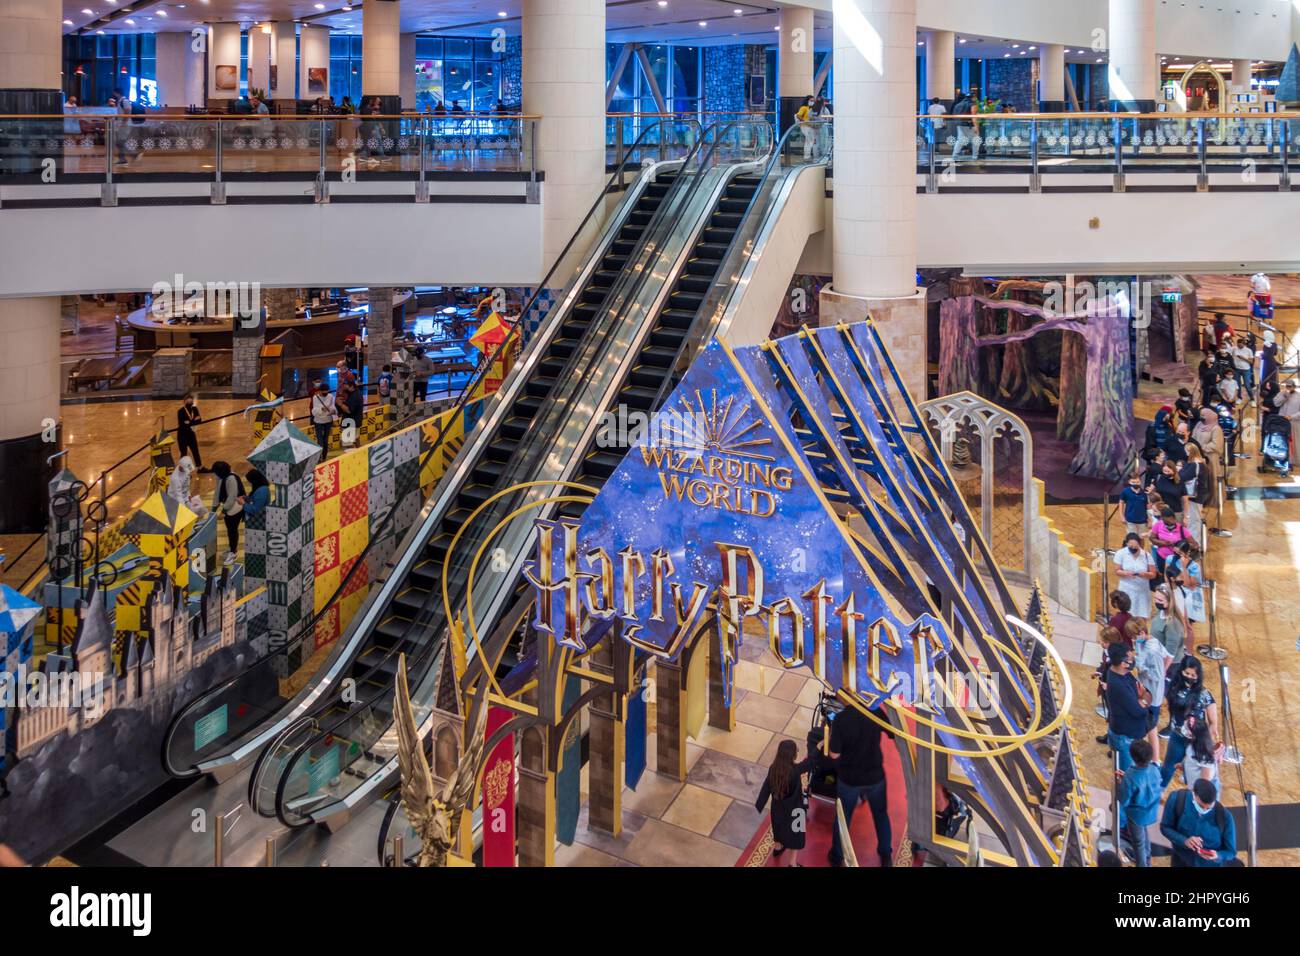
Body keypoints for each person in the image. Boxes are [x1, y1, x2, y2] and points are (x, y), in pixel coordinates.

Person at [827, 702, 894, 867]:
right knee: (881, 815)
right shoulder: (874, 711)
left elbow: (834, 755)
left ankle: (837, 854)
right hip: (875, 776)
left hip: (849, 779)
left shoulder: (841, 719)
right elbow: (893, 733)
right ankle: (885, 854)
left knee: (843, 818)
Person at [1161, 656, 1220, 788]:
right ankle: (1158, 791)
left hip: (1197, 741)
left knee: (1193, 774)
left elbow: (1213, 723)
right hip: (1177, 736)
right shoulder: (1173, 687)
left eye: (1193, 675)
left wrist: (1206, 741)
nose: (1190, 677)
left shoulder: (1204, 694)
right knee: (1168, 768)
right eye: (1187, 673)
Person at [754, 739, 811, 866]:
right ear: (792, 755)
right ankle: (792, 863)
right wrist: (818, 748)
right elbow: (810, 762)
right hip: (796, 809)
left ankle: (778, 848)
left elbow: (766, 788)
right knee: (796, 836)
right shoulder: (796, 770)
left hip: (778, 808)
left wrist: (759, 804)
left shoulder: (773, 769)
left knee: (778, 829)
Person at [1160, 778, 1237, 867]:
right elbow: (1165, 827)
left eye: (1209, 808)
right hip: (1181, 859)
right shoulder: (1177, 799)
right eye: (1200, 806)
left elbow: (1231, 852)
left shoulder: (1225, 817)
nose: (1203, 810)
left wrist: (1218, 855)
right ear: (1193, 794)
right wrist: (1184, 840)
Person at [1117, 739, 1162, 867]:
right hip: (1151, 811)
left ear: (1133, 756)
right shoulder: (1154, 769)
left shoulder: (1130, 777)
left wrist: (1121, 783)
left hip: (1136, 815)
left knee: (1138, 843)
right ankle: (1147, 857)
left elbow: (1124, 799)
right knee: (1144, 835)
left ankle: (1142, 863)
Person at [1104, 643, 1149, 774]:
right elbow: (1139, 711)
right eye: (1131, 659)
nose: (1133, 660)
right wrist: (1143, 701)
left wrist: (1141, 699)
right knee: (1125, 773)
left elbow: (1140, 690)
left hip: (1126, 731)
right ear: (1123, 664)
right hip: (1125, 736)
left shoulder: (1123, 674)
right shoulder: (1118, 685)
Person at [1132, 616, 1173, 757]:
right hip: (1146, 690)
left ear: (1142, 633)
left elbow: (1158, 675)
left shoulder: (1152, 650)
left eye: (1134, 637)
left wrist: (1142, 668)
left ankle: (1155, 759)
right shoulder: (1147, 642)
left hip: (1152, 694)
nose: (1133, 640)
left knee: (1151, 728)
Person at [1181, 715, 1224, 800]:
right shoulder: (1195, 746)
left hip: (1201, 794)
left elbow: (1205, 781)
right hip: (1194, 787)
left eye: (1187, 728)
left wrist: (1197, 796)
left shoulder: (1204, 754)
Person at [1112, 535, 1155, 619]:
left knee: (1141, 616)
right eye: (1131, 546)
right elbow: (1117, 571)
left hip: (1142, 591)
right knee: (1126, 615)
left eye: (1135, 546)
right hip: (1126, 589)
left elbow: (1153, 574)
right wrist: (1126, 573)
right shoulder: (1121, 553)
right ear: (1127, 543)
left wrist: (1144, 574)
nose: (1133, 548)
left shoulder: (1146, 555)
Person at [210, 461, 245, 561]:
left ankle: (233, 552)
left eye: (216, 472)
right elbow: (218, 491)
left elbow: (232, 496)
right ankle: (232, 548)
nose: (215, 475)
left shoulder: (231, 479)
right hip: (230, 507)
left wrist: (223, 511)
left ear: (220, 472)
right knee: (230, 530)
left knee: (232, 530)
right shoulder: (221, 477)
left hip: (236, 509)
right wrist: (214, 507)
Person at [1149, 508, 1191, 577]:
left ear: (1174, 518)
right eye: (1166, 522)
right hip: (1162, 557)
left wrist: (1180, 546)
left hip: (1177, 559)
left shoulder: (1181, 529)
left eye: (1171, 521)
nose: (1169, 523)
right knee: (1164, 576)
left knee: (1177, 577)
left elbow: (1195, 545)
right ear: (1162, 519)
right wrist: (1163, 543)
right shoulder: (1158, 525)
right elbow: (1152, 538)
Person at [1181, 444, 1210, 541]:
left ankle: (1195, 544)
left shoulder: (1194, 465)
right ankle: (1198, 543)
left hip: (1194, 497)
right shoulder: (1203, 463)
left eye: (1187, 451)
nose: (1185, 453)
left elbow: (1182, 476)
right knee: (1196, 520)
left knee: (1193, 521)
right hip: (1200, 496)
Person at [1150, 584, 1186, 661]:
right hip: (1159, 657)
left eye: (1160, 600)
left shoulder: (1172, 624)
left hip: (1170, 664)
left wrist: (1162, 671)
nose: (1156, 602)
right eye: (1155, 598)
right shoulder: (1160, 612)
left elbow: (1170, 654)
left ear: (1169, 602)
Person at [176, 392, 203, 469]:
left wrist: (189, 422)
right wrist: (193, 421)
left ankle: (200, 467)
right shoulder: (180, 411)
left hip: (191, 433)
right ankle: (182, 470)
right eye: (188, 401)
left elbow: (199, 420)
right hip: (182, 435)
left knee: (195, 451)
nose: (190, 403)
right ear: (184, 402)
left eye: (191, 402)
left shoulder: (194, 409)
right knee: (184, 453)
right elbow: (182, 423)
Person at [310, 379, 338, 451]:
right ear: (320, 391)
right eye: (323, 393)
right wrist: (321, 409)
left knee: (326, 440)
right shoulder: (315, 398)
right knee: (320, 441)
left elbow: (332, 406)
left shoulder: (331, 396)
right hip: (318, 422)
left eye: (327, 392)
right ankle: (320, 456)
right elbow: (313, 411)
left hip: (328, 421)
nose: (325, 394)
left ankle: (324, 456)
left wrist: (333, 411)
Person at [1119, 472, 1149, 537]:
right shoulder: (1125, 491)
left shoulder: (1144, 493)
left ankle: (1140, 548)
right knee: (1131, 538)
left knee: (1141, 538)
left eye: (1137, 482)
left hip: (1142, 520)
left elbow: (1148, 507)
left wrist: (1149, 519)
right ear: (1129, 482)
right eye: (1133, 482)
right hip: (1130, 520)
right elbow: (1121, 503)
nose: (1136, 484)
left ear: (1140, 481)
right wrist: (1122, 516)